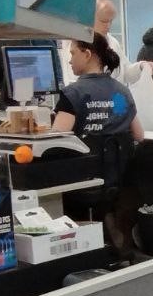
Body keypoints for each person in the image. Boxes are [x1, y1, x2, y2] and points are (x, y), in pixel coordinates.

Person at [53, 34, 144, 257]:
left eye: (72, 53)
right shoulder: (121, 92)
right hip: (119, 182)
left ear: (87, 54)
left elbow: (56, 142)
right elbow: (139, 135)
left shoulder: (73, 94)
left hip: (84, 185)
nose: (69, 60)